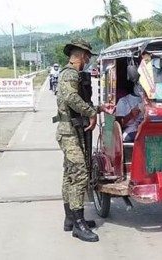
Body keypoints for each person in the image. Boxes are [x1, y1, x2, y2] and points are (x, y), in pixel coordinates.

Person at [54, 39, 115, 242]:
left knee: (70, 174)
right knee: (79, 174)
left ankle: (70, 219)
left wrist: (99, 108)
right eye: (88, 55)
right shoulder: (69, 73)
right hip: (70, 132)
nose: (88, 59)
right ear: (80, 55)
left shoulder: (69, 74)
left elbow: (75, 101)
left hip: (71, 130)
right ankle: (78, 224)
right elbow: (71, 97)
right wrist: (91, 112)